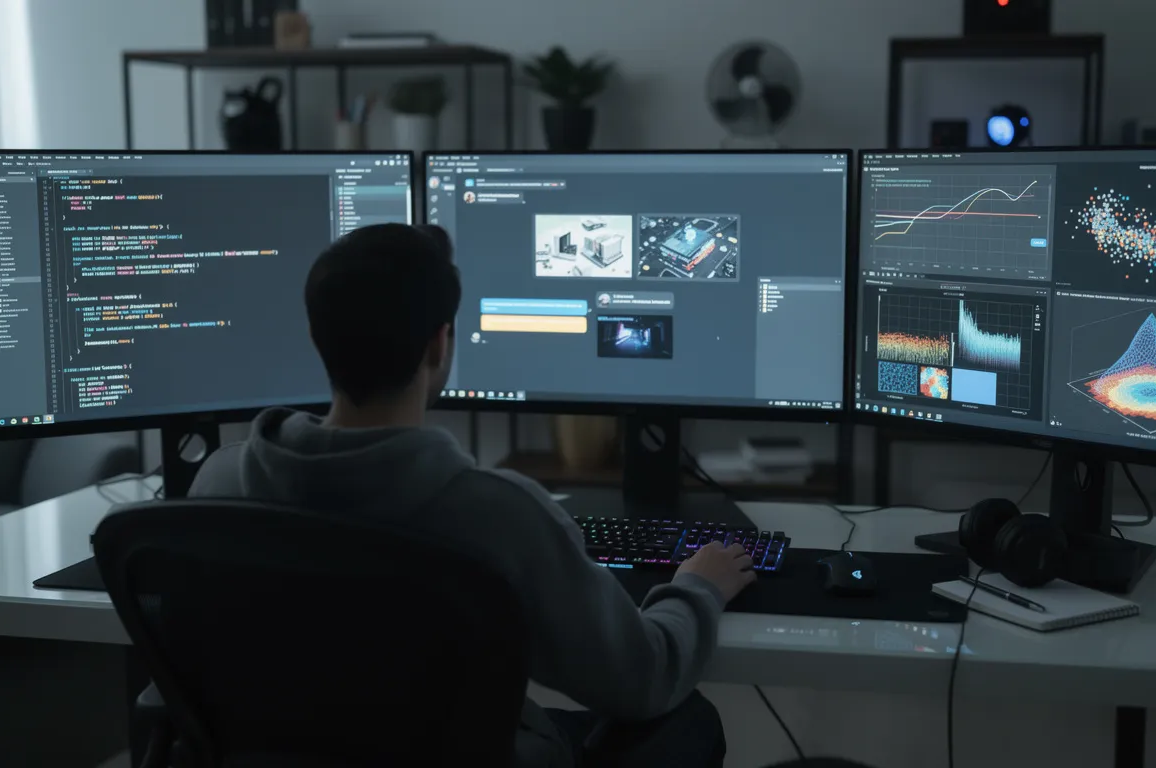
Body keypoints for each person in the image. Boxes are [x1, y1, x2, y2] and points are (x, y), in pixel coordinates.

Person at [189, 223, 753, 767]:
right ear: (439, 345)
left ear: (317, 339)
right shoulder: (497, 514)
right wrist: (696, 588)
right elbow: (643, 680)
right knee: (687, 722)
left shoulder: (220, 484)